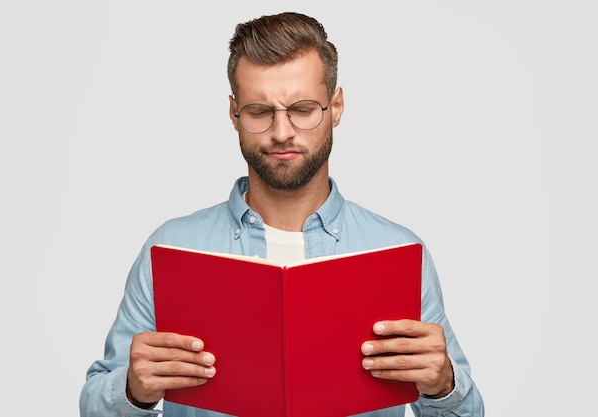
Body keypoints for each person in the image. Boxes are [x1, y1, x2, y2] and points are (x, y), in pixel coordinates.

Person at [79, 11, 484, 417]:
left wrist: (441, 385)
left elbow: (468, 411)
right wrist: (133, 389)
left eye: (302, 109)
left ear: (336, 107)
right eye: (260, 112)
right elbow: (95, 403)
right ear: (234, 114)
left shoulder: (398, 252)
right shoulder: (169, 250)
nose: (282, 132)